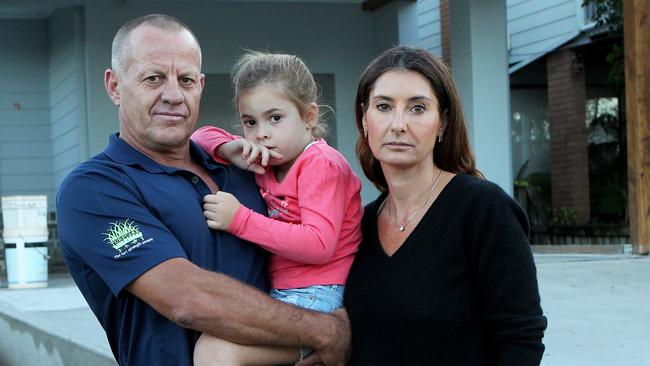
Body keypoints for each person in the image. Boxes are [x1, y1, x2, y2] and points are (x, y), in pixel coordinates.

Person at [56, 14, 349, 366]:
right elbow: (188, 299)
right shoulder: (95, 188)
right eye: (154, 78)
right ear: (115, 86)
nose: (174, 95)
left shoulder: (245, 165)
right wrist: (325, 332)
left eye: (186, 80)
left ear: (201, 85)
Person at [343, 46, 547, 365]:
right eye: (383, 106)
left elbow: (521, 339)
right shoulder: (357, 225)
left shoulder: (483, 210)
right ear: (365, 118)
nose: (398, 124)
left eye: (417, 108)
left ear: (442, 122)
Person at [190, 51, 363, 365]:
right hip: (288, 293)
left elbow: (318, 245)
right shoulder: (267, 160)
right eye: (250, 122)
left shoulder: (320, 164)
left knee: (214, 350)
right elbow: (199, 137)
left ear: (309, 117)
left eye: (275, 118)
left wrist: (239, 220)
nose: (261, 133)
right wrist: (230, 148)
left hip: (319, 296)